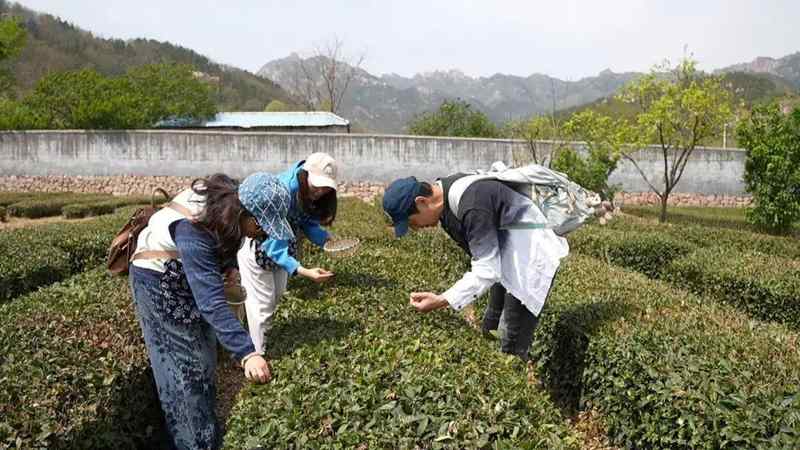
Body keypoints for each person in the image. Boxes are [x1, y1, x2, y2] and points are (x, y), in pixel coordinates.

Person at [128, 172, 293, 450]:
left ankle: (204, 432)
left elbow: (225, 243)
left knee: (203, 358)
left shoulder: (232, 204)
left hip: (182, 272)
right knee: (186, 370)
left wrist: (228, 267)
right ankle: (192, 442)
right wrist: (248, 353)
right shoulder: (193, 229)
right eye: (262, 227)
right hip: (157, 281)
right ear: (249, 215)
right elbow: (211, 302)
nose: (263, 234)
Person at [382, 172, 570, 361]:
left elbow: (487, 269)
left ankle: (522, 370)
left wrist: (442, 299)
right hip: (505, 257)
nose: (415, 228)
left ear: (422, 202)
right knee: (491, 326)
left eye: (412, 222)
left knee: (512, 340)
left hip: (529, 261)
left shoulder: (472, 204)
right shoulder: (444, 201)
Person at [238, 152, 338, 356]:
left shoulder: (307, 193)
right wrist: (303, 271)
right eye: (317, 185)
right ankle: (256, 355)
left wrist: (326, 240)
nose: (320, 191)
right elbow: (273, 244)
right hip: (260, 247)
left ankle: (262, 342)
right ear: (305, 174)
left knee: (275, 299)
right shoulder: (282, 191)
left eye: (325, 187)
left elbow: (307, 222)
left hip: (282, 249)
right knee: (262, 307)